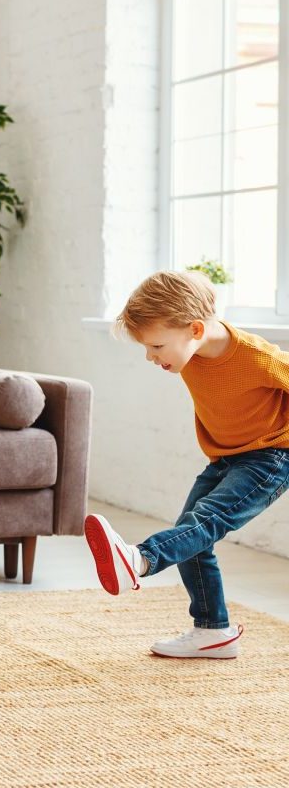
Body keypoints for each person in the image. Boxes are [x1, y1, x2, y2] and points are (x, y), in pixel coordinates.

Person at [84, 270, 289, 659]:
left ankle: (140, 559)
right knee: (192, 538)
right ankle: (213, 630)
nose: (151, 356)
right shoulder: (190, 351)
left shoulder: (255, 357)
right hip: (225, 458)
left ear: (195, 329)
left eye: (156, 346)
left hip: (271, 457)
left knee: (205, 522)